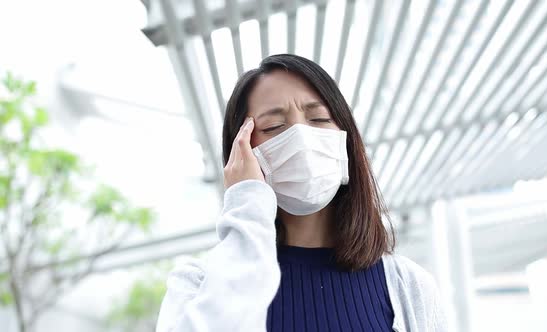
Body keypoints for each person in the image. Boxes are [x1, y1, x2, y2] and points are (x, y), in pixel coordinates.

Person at [156, 54, 447, 332]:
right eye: (274, 125)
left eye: (319, 120)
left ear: (346, 140)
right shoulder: (197, 285)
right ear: (240, 152)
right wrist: (246, 202)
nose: (301, 138)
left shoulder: (407, 284)